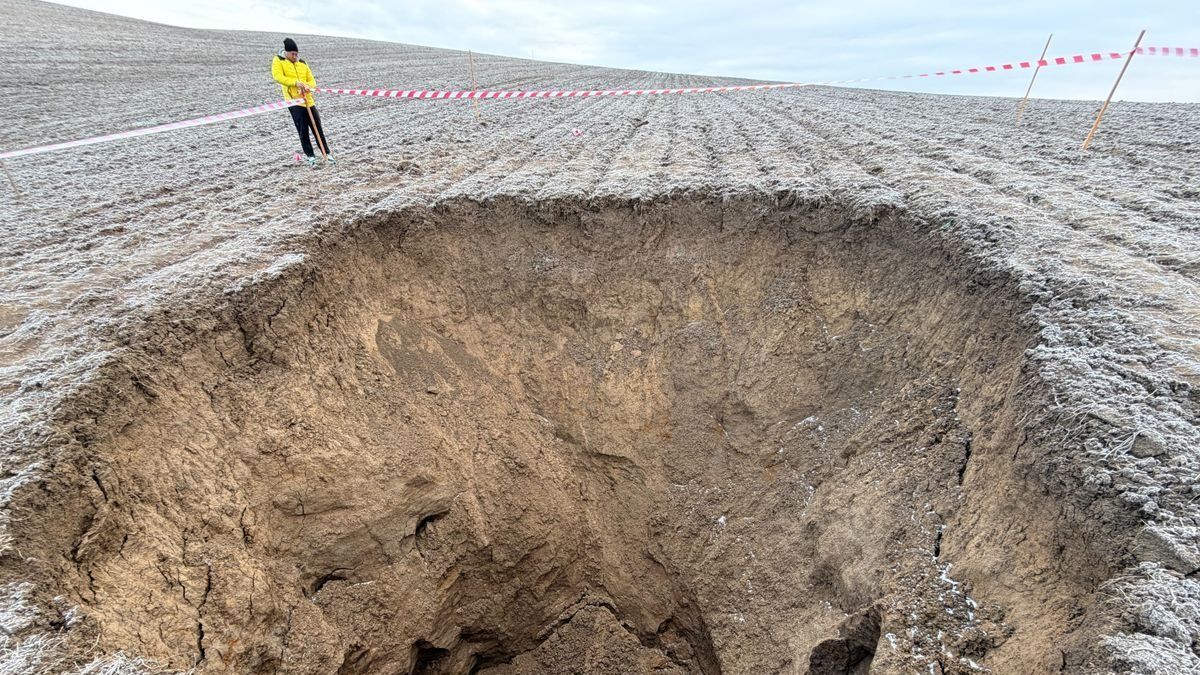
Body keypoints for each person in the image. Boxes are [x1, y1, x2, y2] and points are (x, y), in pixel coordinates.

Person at [272, 38, 335, 167]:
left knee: (317, 127)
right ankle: (311, 156)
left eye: (296, 54)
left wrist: (307, 86)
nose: (295, 57)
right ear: (286, 52)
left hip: (308, 100)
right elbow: (278, 77)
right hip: (294, 102)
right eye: (292, 54)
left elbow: (312, 80)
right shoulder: (278, 61)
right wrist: (295, 83)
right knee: (303, 130)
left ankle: (326, 154)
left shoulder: (302, 63)